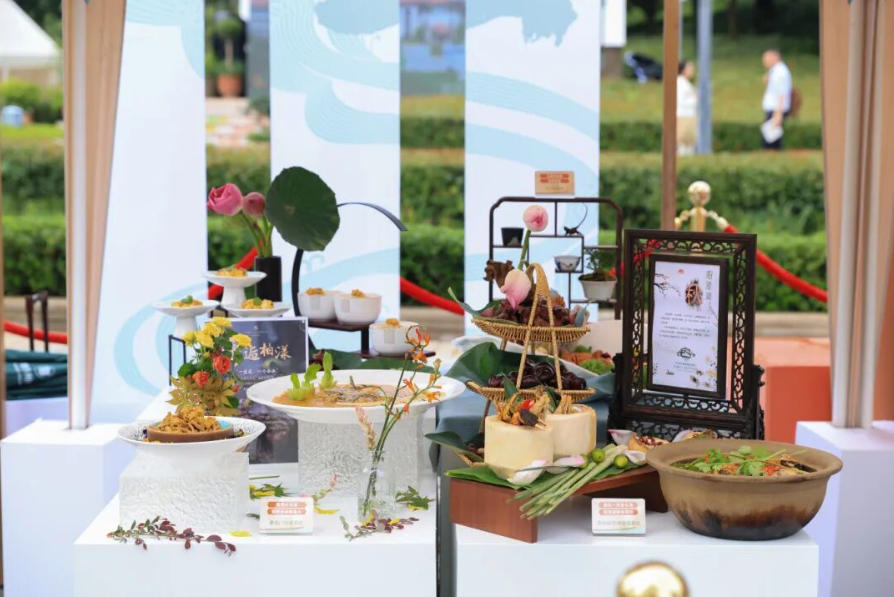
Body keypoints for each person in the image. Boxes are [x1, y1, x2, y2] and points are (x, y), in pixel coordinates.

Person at [761, 49, 792, 150]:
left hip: (776, 109)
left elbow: (782, 93)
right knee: (772, 138)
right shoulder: (774, 71)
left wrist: (778, 113)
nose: (764, 61)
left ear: (774, 57)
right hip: (775, 109)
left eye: (766, 58)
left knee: (771, 140)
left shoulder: (780, 72)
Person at [676, 60, 697, 155]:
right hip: (683, 116)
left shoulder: (685, 83)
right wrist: (696, 99)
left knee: (689, 144)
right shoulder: (680, 83)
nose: (692, 71)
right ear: (683, 70)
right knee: (683, 144)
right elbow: (680, 101)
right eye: (690, 68)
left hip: (689, 115)